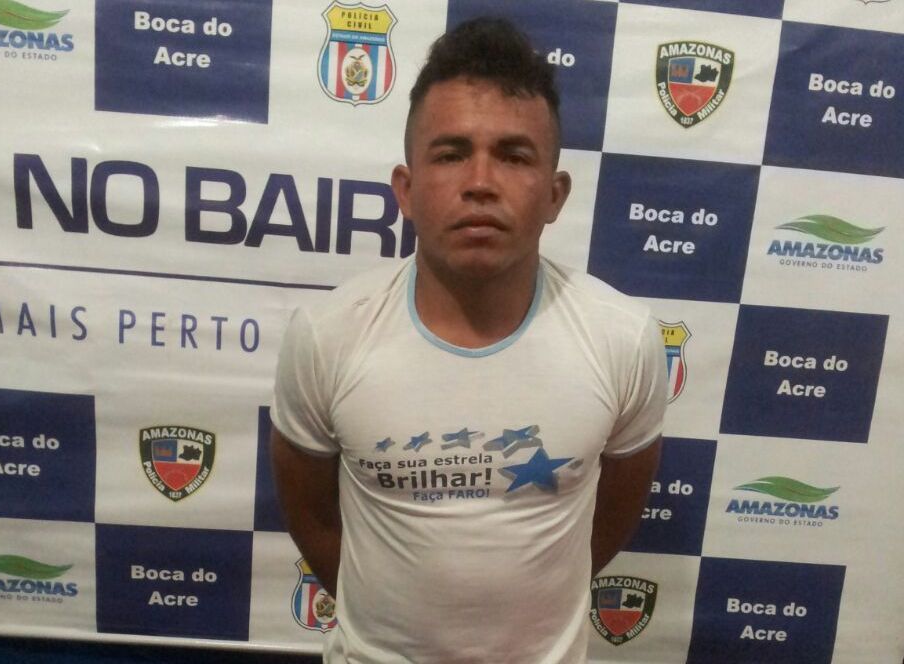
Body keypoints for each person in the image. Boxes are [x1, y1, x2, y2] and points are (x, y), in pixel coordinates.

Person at [270, 17, 667, 663]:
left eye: (514, 156)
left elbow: (613, 516)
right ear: (406, 191)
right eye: (451, 153)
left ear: (555, 195)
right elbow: (312, 519)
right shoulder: (327, 335)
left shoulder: (622, 338)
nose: (480, 181)